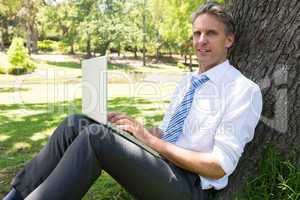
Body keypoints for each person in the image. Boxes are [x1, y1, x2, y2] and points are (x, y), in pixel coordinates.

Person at [3, 2, 262, 200]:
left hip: (189, 186)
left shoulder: (242, 90)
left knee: (96, 137)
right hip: (161, 164)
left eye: (211, 33)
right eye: (197, 33)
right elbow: (167, 134)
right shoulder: (188, 82)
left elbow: (218, 167)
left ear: (229, 40)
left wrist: (151, 141)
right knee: (78, 123)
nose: (201, 41)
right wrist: (131, 128)